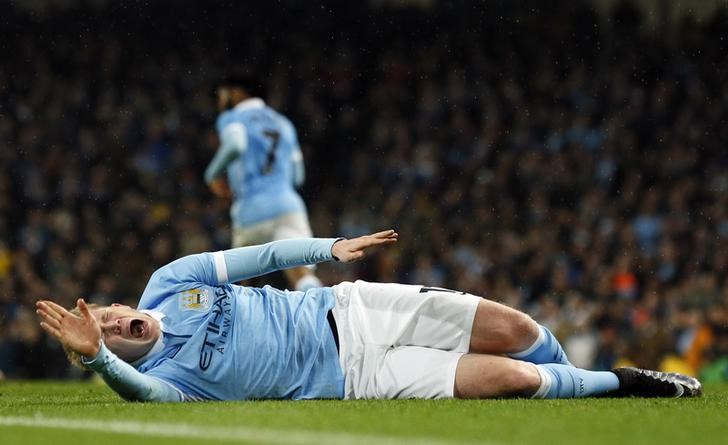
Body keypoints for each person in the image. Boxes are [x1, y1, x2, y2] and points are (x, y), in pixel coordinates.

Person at [36, 230, 701, 402]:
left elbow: (260, 255)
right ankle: (625, 382)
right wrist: (96, 357)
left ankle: (572, 376)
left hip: (351, 307)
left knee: (522, 333)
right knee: (515, 381)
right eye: (115, 339)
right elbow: (139, 389)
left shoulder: (170, 282)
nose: (122, 324)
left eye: (115, 316)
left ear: (122, 303)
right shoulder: (169, 385)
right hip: (357, 376)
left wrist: (328, 248)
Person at [204, 74, 321, 292]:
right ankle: (326, 318)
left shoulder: (232, 118)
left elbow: (235, 145)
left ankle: (244, 324)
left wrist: (211, 175)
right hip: (287, 206)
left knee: (244, 284)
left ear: (237, 92)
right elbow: (298, 176)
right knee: (302, 274)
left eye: (223, 93)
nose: (221, 100)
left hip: (251, 209)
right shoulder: (284, 123)